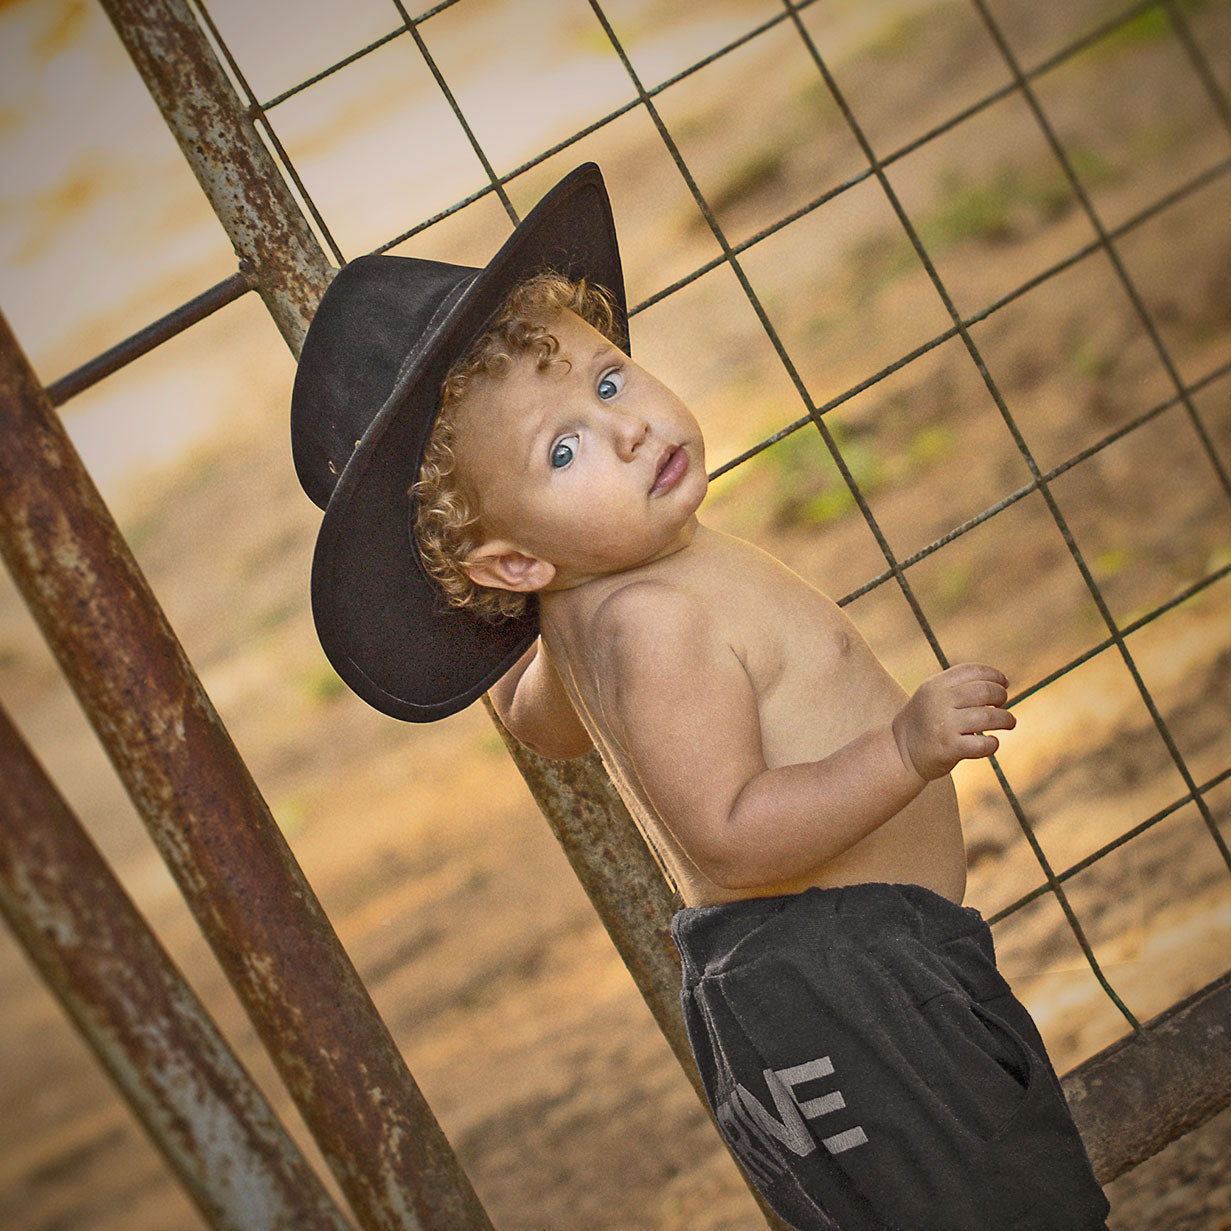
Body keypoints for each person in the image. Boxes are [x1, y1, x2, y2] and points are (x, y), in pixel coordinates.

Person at [291, 164, 1110, 1230]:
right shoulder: (653, 621)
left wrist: (540, 620)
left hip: (829, 984)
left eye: (609, 380)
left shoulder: (590, 616)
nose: (625, 428)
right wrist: (901, 749)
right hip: (845, 987)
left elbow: (539, 720)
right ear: (513, 561)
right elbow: (727, 837)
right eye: (565, 449)